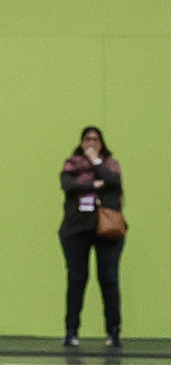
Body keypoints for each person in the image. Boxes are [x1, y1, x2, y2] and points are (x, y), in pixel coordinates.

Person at [58, 126, 123, 349]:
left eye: (96, 139)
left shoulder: (110, 165)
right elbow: (68, 186)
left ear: (102, 143)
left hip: (107, 230)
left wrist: (96, 162)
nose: (92, 143)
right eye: (87, 139)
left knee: (109, 278)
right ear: (81, 142)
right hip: (76, 230)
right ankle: (71, 331)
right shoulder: (71, 164)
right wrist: (92, 185)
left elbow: (113, 182)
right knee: (77, 279)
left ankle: (113, 332)